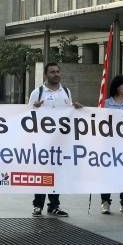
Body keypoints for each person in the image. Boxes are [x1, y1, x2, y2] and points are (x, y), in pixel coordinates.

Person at [28, 62, 82, 217]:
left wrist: (76, 108)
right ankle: (37, 205)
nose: (56, 74)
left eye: (58, 71)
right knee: (42, 173)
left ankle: (54, 206)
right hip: (42, 141)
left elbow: (69, 112)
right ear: (46, 74)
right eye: (52, 72)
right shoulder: (37, 93)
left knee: (56, 173)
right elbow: (26, 116)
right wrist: (34, 108)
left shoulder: (66, 91)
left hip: (60, 141)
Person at [99, 74, 123, 215]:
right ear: (117, 86)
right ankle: (105, 202)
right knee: (107, 174)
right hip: (109, 145)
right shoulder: (106, 103)